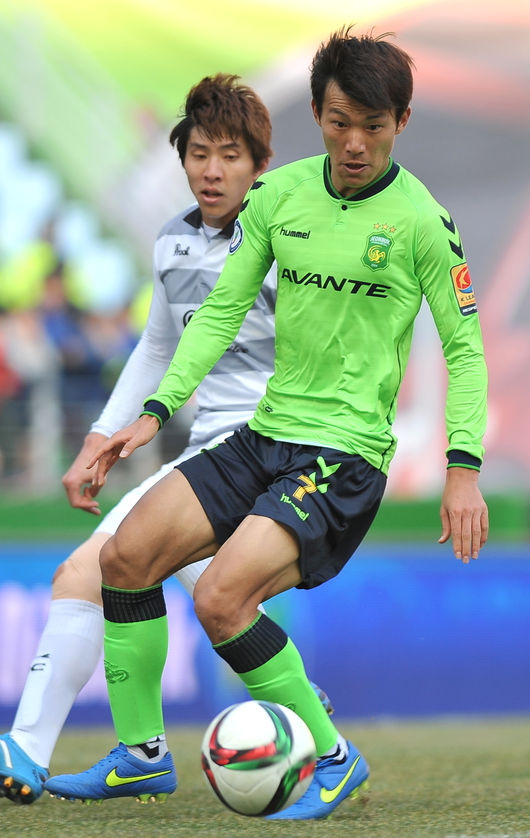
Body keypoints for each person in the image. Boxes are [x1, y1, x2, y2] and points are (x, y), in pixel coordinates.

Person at [45, 28, 489, 822]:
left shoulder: (424, 221)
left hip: (343, 455)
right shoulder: (280, 196)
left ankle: (335, 756)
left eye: (374, 126)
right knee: (125, 558)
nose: (355, 144)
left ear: (401, 121)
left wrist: (463, 468)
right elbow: (219, 312)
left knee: (221, 598)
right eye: (339, 122)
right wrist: (155, 411)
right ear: (317, 114)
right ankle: (143, 756)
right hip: (264, 434)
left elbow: (465, 349)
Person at [0, 74, 332, 806]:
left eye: (231, 155)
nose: (212, 170)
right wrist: (99, 437)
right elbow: (157, 347)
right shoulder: (174, 241)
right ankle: (306, 723)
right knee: (201, 592)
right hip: (208, 452)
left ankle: (34, 750)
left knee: (90, 573)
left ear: (261, 165)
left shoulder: (293, 243)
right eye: (199, 154)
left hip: (270, 450)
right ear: (182, 159)